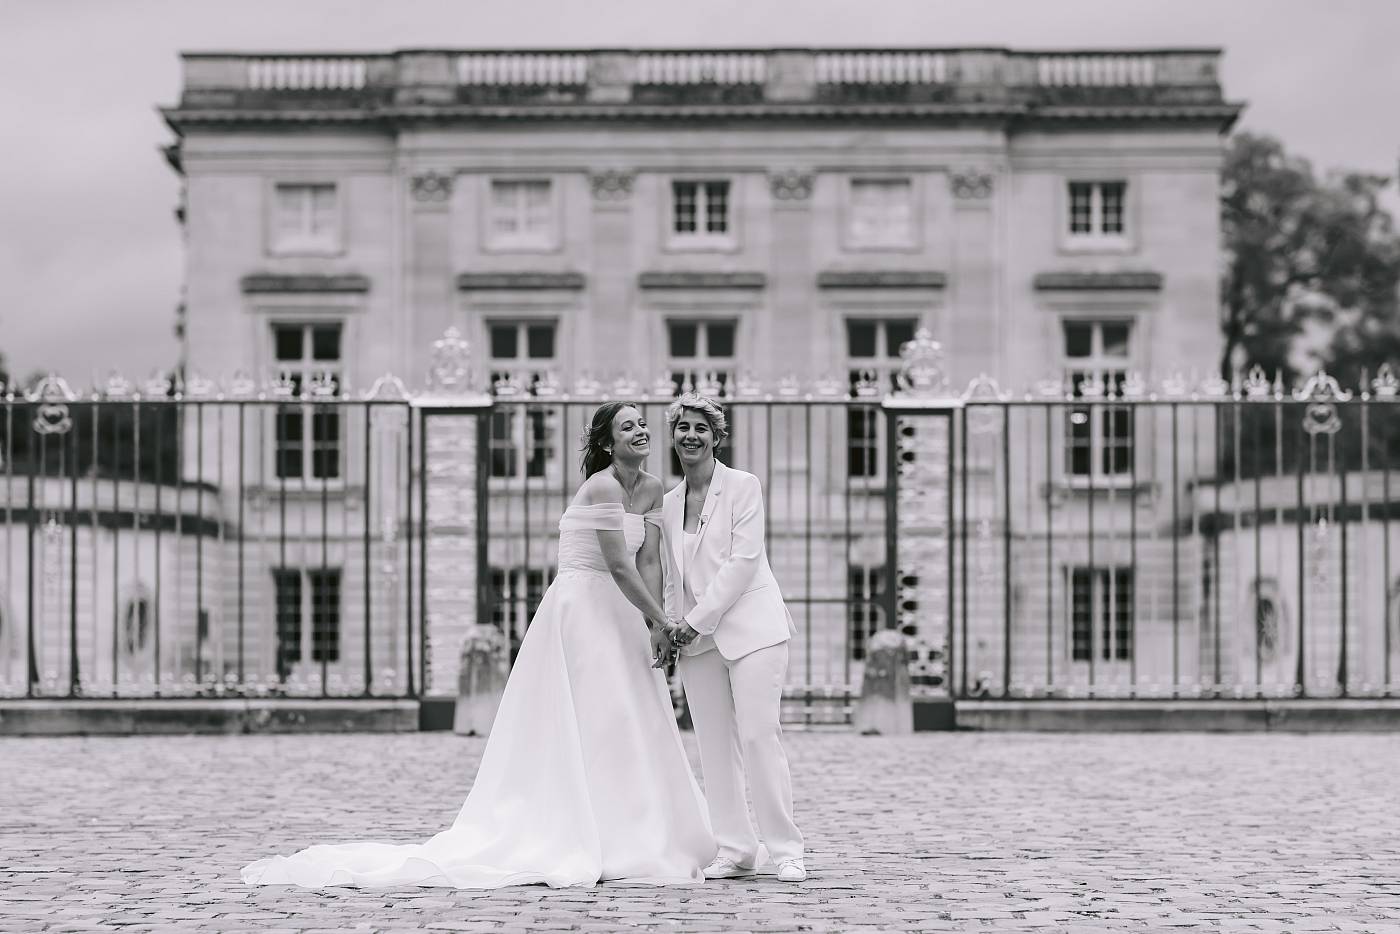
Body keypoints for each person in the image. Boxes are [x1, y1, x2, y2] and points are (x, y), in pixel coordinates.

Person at [241, 402, 715, 888]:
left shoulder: (655, 487)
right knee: (593, 715)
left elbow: (650, 561)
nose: (640, 431)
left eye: (641, 423)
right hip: (583, 609)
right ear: (606, 444)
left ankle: (642, 822)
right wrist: (662, 618)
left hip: (623, 612)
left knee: (632, 715)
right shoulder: (600, 486)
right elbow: (618, 565)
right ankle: (591, 827)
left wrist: (656, 624)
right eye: (626, 427)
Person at [661, 393, 807, 883]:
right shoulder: (667, 504)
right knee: (713, 746)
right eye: (683, 427)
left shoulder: (744, 487)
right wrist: (668, 627)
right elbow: (670, 576)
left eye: (701, 428)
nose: (691, 436)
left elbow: (743, 564)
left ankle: (785, 849)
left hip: (752, 631)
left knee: (759, 735)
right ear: (673, 436)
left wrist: (694, 620)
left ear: (717, 437)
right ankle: (736, 847)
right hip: (695, 642)